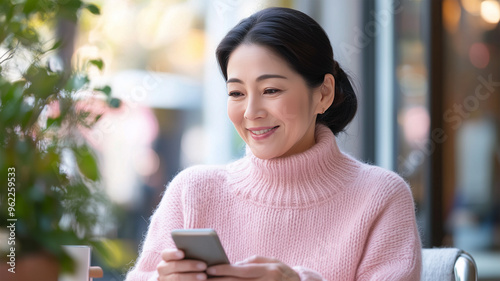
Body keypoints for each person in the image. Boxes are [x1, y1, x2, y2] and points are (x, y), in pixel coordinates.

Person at [126, 7, 421, 281]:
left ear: (323, 94)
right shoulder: (192, 191)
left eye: (270, 90)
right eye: (237, 93)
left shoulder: (381, 197)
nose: (251, 112)